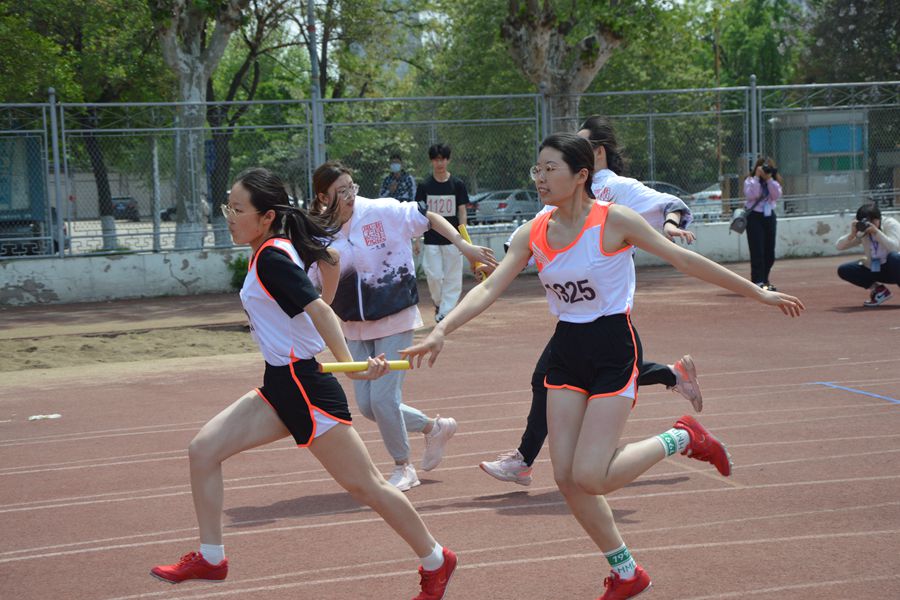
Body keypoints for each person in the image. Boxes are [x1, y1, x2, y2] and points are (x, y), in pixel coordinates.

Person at [401, 134, 803, 599]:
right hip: (566, 350)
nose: (540, 178)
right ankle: (627, 572)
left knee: (591, 476)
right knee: (567, 479)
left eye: (550, 169)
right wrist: (442, 329)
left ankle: (683, 437)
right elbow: (491, 288)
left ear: (580, 176)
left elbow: (683, 258)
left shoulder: (614, 221)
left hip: (614, 347)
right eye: (537, 169)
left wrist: (757, 291)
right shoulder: (533, 231)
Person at [150, 168, 457, 600]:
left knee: (366, 485)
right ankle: (212, 557)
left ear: (266, 217)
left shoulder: (272, 258)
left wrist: (349, 367)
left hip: (304, 386)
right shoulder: (271, 251)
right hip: (280, 384)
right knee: (203, 450)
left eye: (237, 209)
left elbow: (321, 311)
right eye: (227, 207)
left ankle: (436, 559)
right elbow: (329, 260)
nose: (229, 217)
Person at [480, 115, 704, 486]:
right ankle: (670, 377)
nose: (544, 174)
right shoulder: (561, 193)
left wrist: (670, 224)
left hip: (608, 314)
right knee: (554, 386)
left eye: (578, 144)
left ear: (595, 154)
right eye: (541, 168)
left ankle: (527, 459)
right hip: (573, 321)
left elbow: (668, 204)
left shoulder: (618, 190)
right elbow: (539, 232)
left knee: (581, 431)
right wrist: (507, 262)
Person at [311, 160, 497, 492]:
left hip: (395, 315)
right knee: (369, 407)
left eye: (351, 187)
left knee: (383, 401)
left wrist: (465, 247)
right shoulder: (319, 232)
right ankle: (433, 428)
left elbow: (429, 217)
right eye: (340, 191)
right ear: (323, 197)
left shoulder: (382, 210)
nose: (350, 195)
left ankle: (403, 466)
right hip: (353, 324)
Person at [415, 143, 470, 322]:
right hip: (431, 238)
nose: (440, 163)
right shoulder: (424, 185)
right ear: (432, 161)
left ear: (448, 160)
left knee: (453, 277)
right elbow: (418, 214)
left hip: (453, 238)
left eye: (443, 159)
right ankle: (439, 303)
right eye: (436, 160)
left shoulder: (457, 184)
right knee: (434, 276)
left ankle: (445, 313)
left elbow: (462, 211)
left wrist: (463, 237)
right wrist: (416, 239)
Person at [836, 203, 900, 306]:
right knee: (844, 269)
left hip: (896, 267)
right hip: (877, 268)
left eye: (873, 221)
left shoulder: (890, 224)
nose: (870, 225)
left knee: (894, 257)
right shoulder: (863, 231)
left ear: (879, 218)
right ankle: (880, 291)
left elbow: (895, 248)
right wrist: (852, 234)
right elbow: (839, 246)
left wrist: (876, 232)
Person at [743, 156, 783, 290]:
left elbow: (776, 195)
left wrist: (769, 179)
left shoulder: (773, 182)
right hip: (754, 216)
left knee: (769, 251)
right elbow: (752, 195)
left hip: (769, 216)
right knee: (757, 250)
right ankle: (757, 281)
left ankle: (765, 280)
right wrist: (757, 177)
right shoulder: (750, 181)